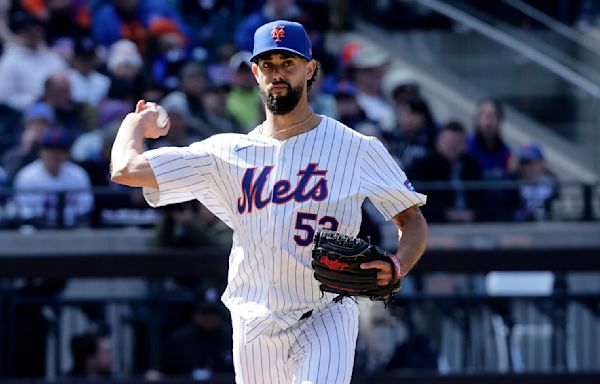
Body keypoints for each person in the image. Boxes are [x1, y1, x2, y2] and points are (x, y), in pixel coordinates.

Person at [110, 20, 428, 383]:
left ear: (310, 69)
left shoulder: (356, 147)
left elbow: (412, 220)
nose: (277, 73)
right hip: (253, 319)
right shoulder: (226, 153)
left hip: (326, 312)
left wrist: (399, 264)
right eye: (268, 64)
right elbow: (125, 169)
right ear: (255, 73)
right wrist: (135, 123)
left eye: (287, 63)